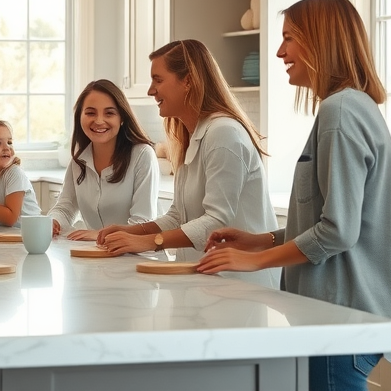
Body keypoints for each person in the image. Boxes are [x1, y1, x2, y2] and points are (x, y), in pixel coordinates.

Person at [198, 0, 391, 390]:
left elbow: (338, 231)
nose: (280, 52)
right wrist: (260, 240)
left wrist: (253, 261)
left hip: (337, 319)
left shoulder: (340, 112)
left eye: (289, 38)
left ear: (320, 41)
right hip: (345, 319)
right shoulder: (352, 107)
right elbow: (326, 219)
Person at [95, 40, 279, 288]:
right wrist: (131, 231)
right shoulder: (193, 136)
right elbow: (178, 216)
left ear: (188, 81)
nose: (151, 90)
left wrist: (150, 242)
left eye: (158, 80)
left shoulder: (224, 133)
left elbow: (216, 220)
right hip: (206, 280)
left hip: (241, 284)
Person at [47, 79, 160, 241]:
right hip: (97, 253)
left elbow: (143, 221)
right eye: (90, 113)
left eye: (109, 113)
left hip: (138, 254)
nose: (99, 121)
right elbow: (66, 207)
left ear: (122, 118)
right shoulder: (79, 161)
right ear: (80, 117)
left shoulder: (142, 155)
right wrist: (54, 221)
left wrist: (100, 235)